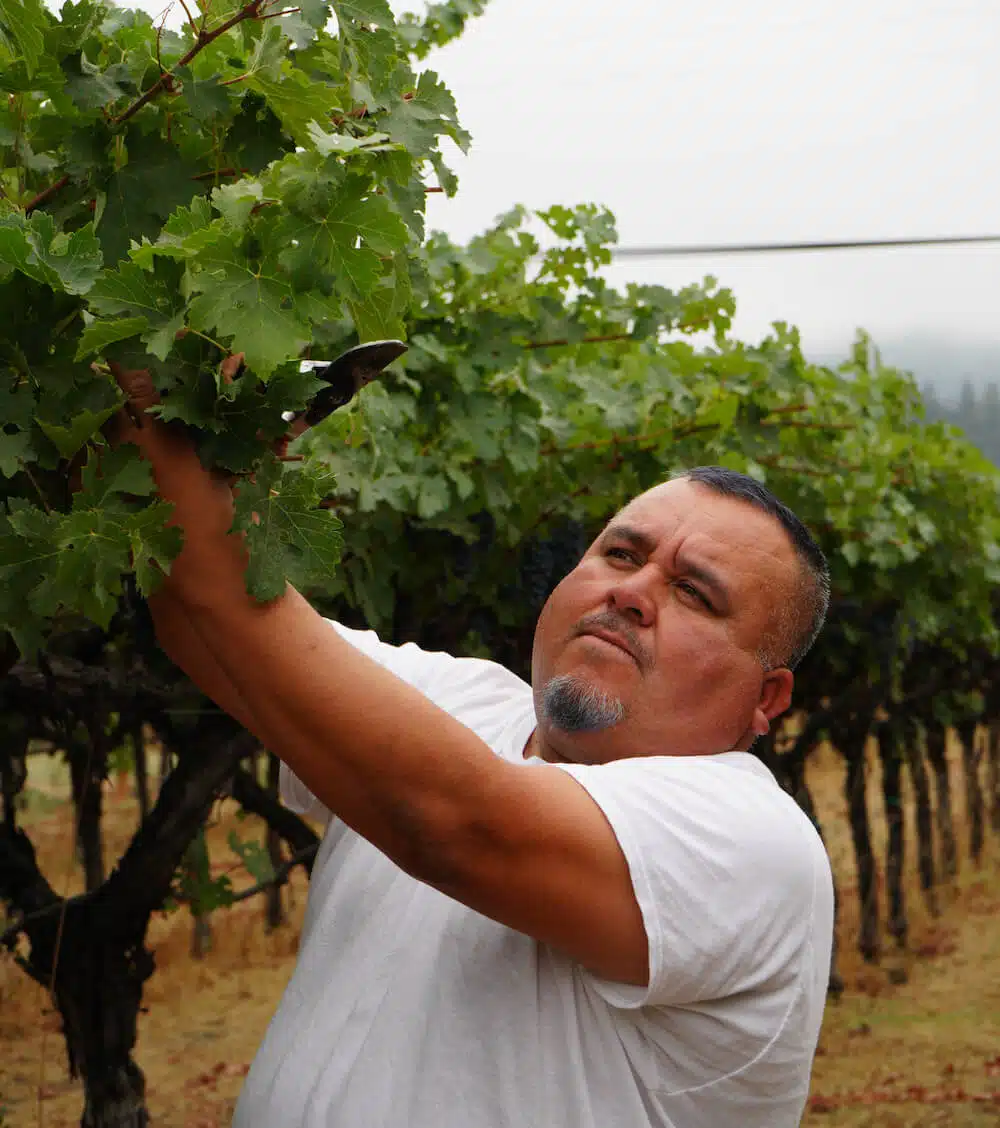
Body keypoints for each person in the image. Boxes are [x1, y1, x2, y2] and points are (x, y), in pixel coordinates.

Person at [111, 360, 835, 1128]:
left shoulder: (757, 843)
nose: (631, 591)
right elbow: (213, 629)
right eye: (620, 555)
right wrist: (208, 454)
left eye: (694, 592)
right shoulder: (461, 703)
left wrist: (173, 443)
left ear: (768, 699)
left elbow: (457, 825)